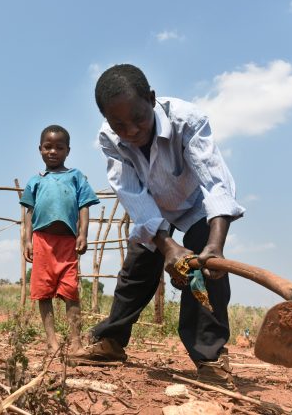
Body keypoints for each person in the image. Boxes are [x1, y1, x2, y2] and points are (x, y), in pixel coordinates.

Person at [78, 64, 245, 389]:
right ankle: (111, 342)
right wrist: (167, 245)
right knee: (136, 272)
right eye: (119, 123)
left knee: (205, 272)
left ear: (152, 99)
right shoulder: (109, 137)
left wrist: (214, 246)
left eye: (139, 118)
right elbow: (130, 192)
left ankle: (210, 360)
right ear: (107, 119)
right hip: (152, 207)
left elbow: (215, 184)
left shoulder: (188, 120)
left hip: (197, 204)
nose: (131, 130)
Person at [20, 125, 100, 355]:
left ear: (68, 151)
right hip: (42, 241)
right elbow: (28, 213)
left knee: (70, 291)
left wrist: (83, 234)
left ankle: (76, 343)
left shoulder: (76, 177)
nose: (53, 151)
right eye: (48, 147)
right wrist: (27, 241)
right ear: (40, 149)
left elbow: (84, 206)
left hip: (67, 242)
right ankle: (52, 341)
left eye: (59, 147)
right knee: (43, 292)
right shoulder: (35, 180)